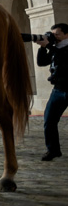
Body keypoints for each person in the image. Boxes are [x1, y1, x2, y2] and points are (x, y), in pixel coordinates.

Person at [34, 23, 68, 161]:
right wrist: (43, 47)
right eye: (52, 34)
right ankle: (53, 150)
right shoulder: (56, 48)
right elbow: (42, 62)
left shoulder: (62, 49)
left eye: (57, 34)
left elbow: (64, 59)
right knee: (49, 121)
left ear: (66, 34)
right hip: (58, 90)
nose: (54, 37)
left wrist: (48, 46)